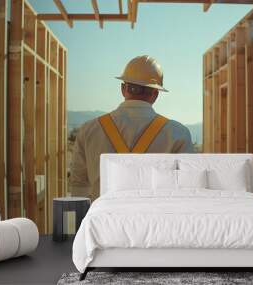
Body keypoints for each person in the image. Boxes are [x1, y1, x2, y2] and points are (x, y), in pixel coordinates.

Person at [71, 55, 194, 200]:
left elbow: (79, 187)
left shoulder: (89, 130)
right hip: (155, 221)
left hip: (102, 220)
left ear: (123, 89)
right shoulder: (178, 134)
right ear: (155, 94)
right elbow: (186, 189)